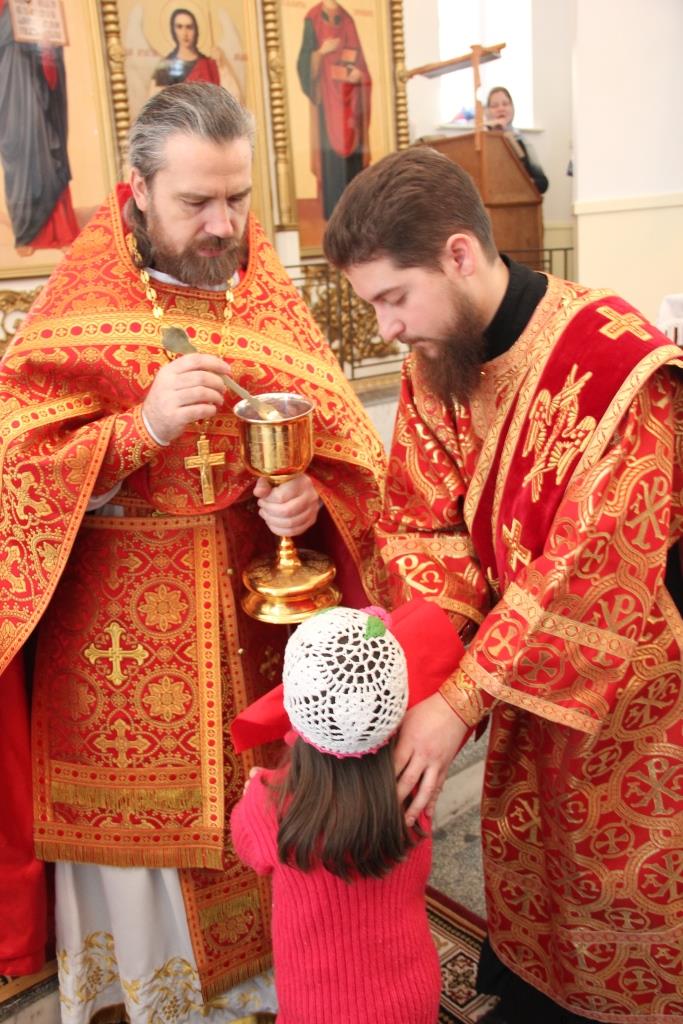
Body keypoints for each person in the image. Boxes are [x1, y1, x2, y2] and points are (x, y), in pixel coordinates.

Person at [0, 83, 387, 1021]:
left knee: (266, 836)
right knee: (144, 874)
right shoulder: (78, 302)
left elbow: (350, 458)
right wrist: (137, 430)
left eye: (238, 198)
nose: (223, 225)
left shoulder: (267, 294)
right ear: (137, 190)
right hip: (118, 654)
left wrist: (311, 496)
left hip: (259, 635)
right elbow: (16, 475)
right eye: (196, 202)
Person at [322, 146, 683, 1024]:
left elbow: (591, 567)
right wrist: (431, 661)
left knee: (620, 875)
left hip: (632, 685)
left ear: (457, 254)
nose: (385, 330)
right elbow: (421, 522)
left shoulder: (617, 364)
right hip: (511, 670)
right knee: (538, 861)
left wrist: (458, 703)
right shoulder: (436, 358)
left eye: (392, 298)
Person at [230, 598, 465, 1023]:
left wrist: (256, 794)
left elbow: (248, 849)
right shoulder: (415, 789)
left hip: (316, 1008)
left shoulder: (268, 803)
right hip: (410, 998)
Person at [0, 0, 79, 255]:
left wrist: (45, 42)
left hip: (41, 81)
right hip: (12, 85)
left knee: (49, 149)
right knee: (20, 149)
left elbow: (48, 33)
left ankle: (60, 230)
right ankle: (27, 231)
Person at [296, 0, 372, 220]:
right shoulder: (312, 19)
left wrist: (359, 77)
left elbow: (362, 65)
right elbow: (303, 65)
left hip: (350, 109)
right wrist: (321, 52)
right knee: (331, 165)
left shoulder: (348, 20)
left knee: (353, 171)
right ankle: (334, 220)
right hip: (327, 105)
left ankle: (356, 217)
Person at [151, 8, 241, 99]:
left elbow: (233, 97)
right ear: (173, 30)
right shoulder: (166, 67)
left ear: (196, 30)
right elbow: (155, 102)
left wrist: (221, 65)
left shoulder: (209, 64)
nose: (185, 33)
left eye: (189, 27)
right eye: (179, 27)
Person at [486, 86, 548, 195]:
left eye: (505, 104)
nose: (501, 109)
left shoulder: (521, 141)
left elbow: (542, 183)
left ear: (512, 108)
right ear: (487, 112)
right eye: (495, 106)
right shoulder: (481, 142)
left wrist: (522, 183)